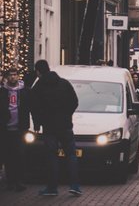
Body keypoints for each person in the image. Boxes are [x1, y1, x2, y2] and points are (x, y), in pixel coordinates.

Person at [30, 60, 81, 196]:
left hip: (49, 128)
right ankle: (75, 186)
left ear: (38, 72)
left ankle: (52, 187)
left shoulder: (38, 87)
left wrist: (37, 123)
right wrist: (67, 114)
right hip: (65, 126)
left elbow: (34, 107)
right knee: (71, 155)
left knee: (51, 157)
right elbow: (74, 101)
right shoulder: (64, 83)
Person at [0, 67, 30, 191]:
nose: (13, 77)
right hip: (5, 128)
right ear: (7, 77)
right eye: (10, 75)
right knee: (7, 156)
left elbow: (29, 107)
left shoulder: (24, 91)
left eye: (15, 74)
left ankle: (18, 181)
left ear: (18, 76)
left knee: (19, 155)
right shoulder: (2, 91)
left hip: (20, 128)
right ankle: (10, 181)